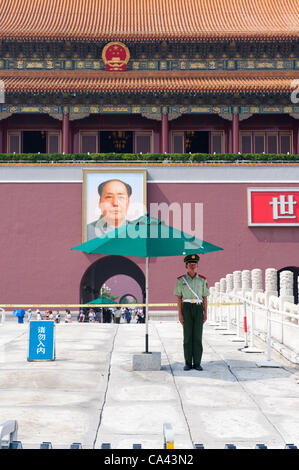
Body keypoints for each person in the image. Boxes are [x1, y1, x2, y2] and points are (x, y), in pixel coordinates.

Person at [174, 254, 210, 371]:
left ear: (197, 266)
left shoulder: (202, 280)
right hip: (187, 308)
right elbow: (179, 298)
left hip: (199, 308)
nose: (192, 267)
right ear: (186, 266)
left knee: (198, 336)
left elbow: (205, 298)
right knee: (188, 336)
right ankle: (188, 363)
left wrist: (205, 313)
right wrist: (180, 314)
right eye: (190, 265)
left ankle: (198, 363)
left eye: (194, 265)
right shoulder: (181, 280)